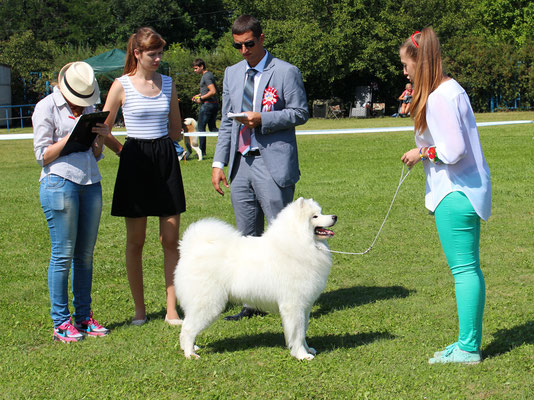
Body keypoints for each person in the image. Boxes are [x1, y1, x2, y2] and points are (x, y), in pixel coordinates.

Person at [400, 28, 491, 364]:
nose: (404, 71)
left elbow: (452, 150)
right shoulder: (450, 89)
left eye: (406, 65)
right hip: (465, 190)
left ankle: (468, 347)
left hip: (455, 192)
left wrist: (421, 153)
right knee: (469, 270)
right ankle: (467, 342)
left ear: (419, 62)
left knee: (464, 271)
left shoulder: (439, 97)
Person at [211, 15, 309, 320]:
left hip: (273, 164)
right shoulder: (231, 73)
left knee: (283, 237)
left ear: (262, 39)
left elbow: (300, 112)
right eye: (238, 45)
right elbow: (227, 122)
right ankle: (251, 302)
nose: (243, 51)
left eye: (249, 44)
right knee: (246, 238)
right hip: (241, 163)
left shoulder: (285, 71)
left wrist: (262, 119)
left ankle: (290, 298)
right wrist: (218, 162)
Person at [102, 27, 185, 327]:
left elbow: (176, 129)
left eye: (161, 52)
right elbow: (103, 127)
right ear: (137, 53)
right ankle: (140, 310)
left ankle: (172, 309)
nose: (159, 58)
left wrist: (164, 147)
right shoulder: (120, 85)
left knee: (171, 239)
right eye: (153, 53)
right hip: (134, 162)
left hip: (165, 161)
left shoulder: (169, 83)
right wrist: (124, 152)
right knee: (135, 241)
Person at [33, 61, 111, 342]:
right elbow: (41, 155)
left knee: (85, 255)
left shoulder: (89, 109)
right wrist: (70, 137)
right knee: (63, 254)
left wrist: (99, 138)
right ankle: (61, 322)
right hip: (59, 182)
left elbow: (95, 153)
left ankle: (84, 316)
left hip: (90, 182)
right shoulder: (46, 107)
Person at [191, 58, 218, 158]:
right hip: (213, 104)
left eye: (196, 68)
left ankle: (201, 152)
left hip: (208, 105)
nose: (195, 71)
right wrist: (199, 95)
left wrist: (201, 99)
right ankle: (228, 140)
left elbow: (213, 91)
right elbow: (208, 91)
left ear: (202, 66)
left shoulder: (206, 76)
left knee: (201, 127)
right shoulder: (209, 75)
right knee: (213, 128)